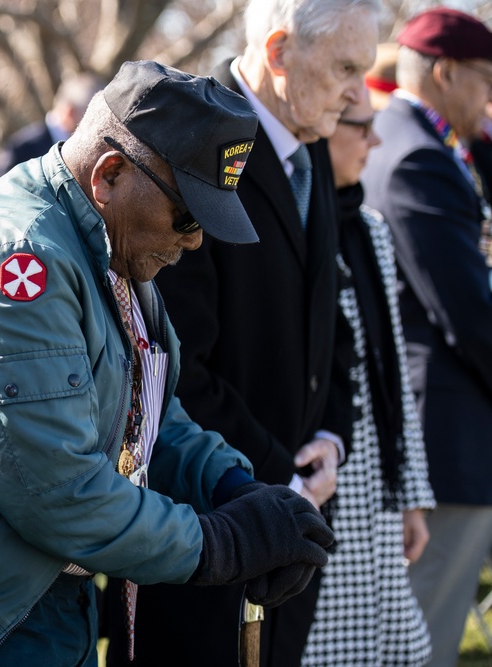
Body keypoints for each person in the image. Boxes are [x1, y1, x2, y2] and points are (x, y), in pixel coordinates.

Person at [0, 61, 336, 666]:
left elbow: (144, 412)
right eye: (187, 216)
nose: (195, 241)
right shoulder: (23, 262)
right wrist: (221, 543)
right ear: (111, 174)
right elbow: (63, 495)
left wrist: (234, 485)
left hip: (14, 595)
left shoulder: (101, 238)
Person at [116, 1, 380, 665]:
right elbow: (177, 362)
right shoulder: (196, 137)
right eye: (347, 67)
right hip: (212, 521)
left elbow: (328, 316)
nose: (360, 92)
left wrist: (329, 439)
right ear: (281, 50)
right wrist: (273, 472)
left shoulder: (309, 147)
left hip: (290, 512)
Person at [360, 8, 492, 666]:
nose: (488, 99)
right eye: (484, 81)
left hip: (441, 435)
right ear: (444, 73)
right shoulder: (418, 158)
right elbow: (468, 313)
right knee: (425, 641)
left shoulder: (407, 137)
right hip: (448, 439)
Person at [301, 87, 435, 667]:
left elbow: (390, 369)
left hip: (377, 478)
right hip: (328, 480)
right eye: (361, 127)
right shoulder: (298, 222)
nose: (375, 142)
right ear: (323, 130)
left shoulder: (370, 226)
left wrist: (412, 494)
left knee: (393, 646)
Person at [0, 71, 103, 180]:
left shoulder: (92, 151)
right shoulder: (20, 150)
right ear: (70, 112)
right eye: (92, 116)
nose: (97, 124)